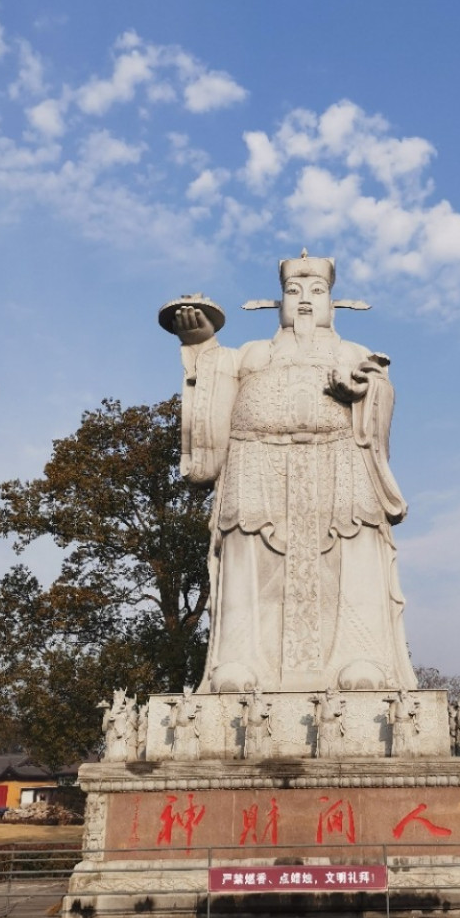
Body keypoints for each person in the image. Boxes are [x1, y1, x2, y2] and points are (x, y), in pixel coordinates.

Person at [169, 253, 416, 694]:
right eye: (293, 291)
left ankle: (363, 658)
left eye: (317, 291)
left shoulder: (351, 351)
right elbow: (213, 388)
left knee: (355, 542)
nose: (304, 301)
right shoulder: (252, 353)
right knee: (245, 547)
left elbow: (380, 384)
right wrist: (202, 345)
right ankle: (239, 660)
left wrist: (364, 387)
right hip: (255, 459)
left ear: (333, 301)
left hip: (340, 457)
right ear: (277, 300)